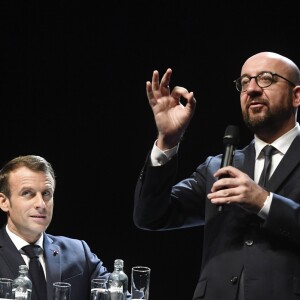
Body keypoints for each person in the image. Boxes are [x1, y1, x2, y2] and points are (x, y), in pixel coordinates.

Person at [133, 51, 300, 300]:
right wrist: (167, 141)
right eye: (244, 82)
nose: (252, 89)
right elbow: (151, 216)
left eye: (266, 78)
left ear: (296, 95)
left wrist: (265, 202)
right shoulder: (218, 167)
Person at [0, 155, 131, 300]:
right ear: (4, 202)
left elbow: (119, 296)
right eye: (27, 193)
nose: (41, 204)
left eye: (46, 193)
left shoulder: (79, 253)